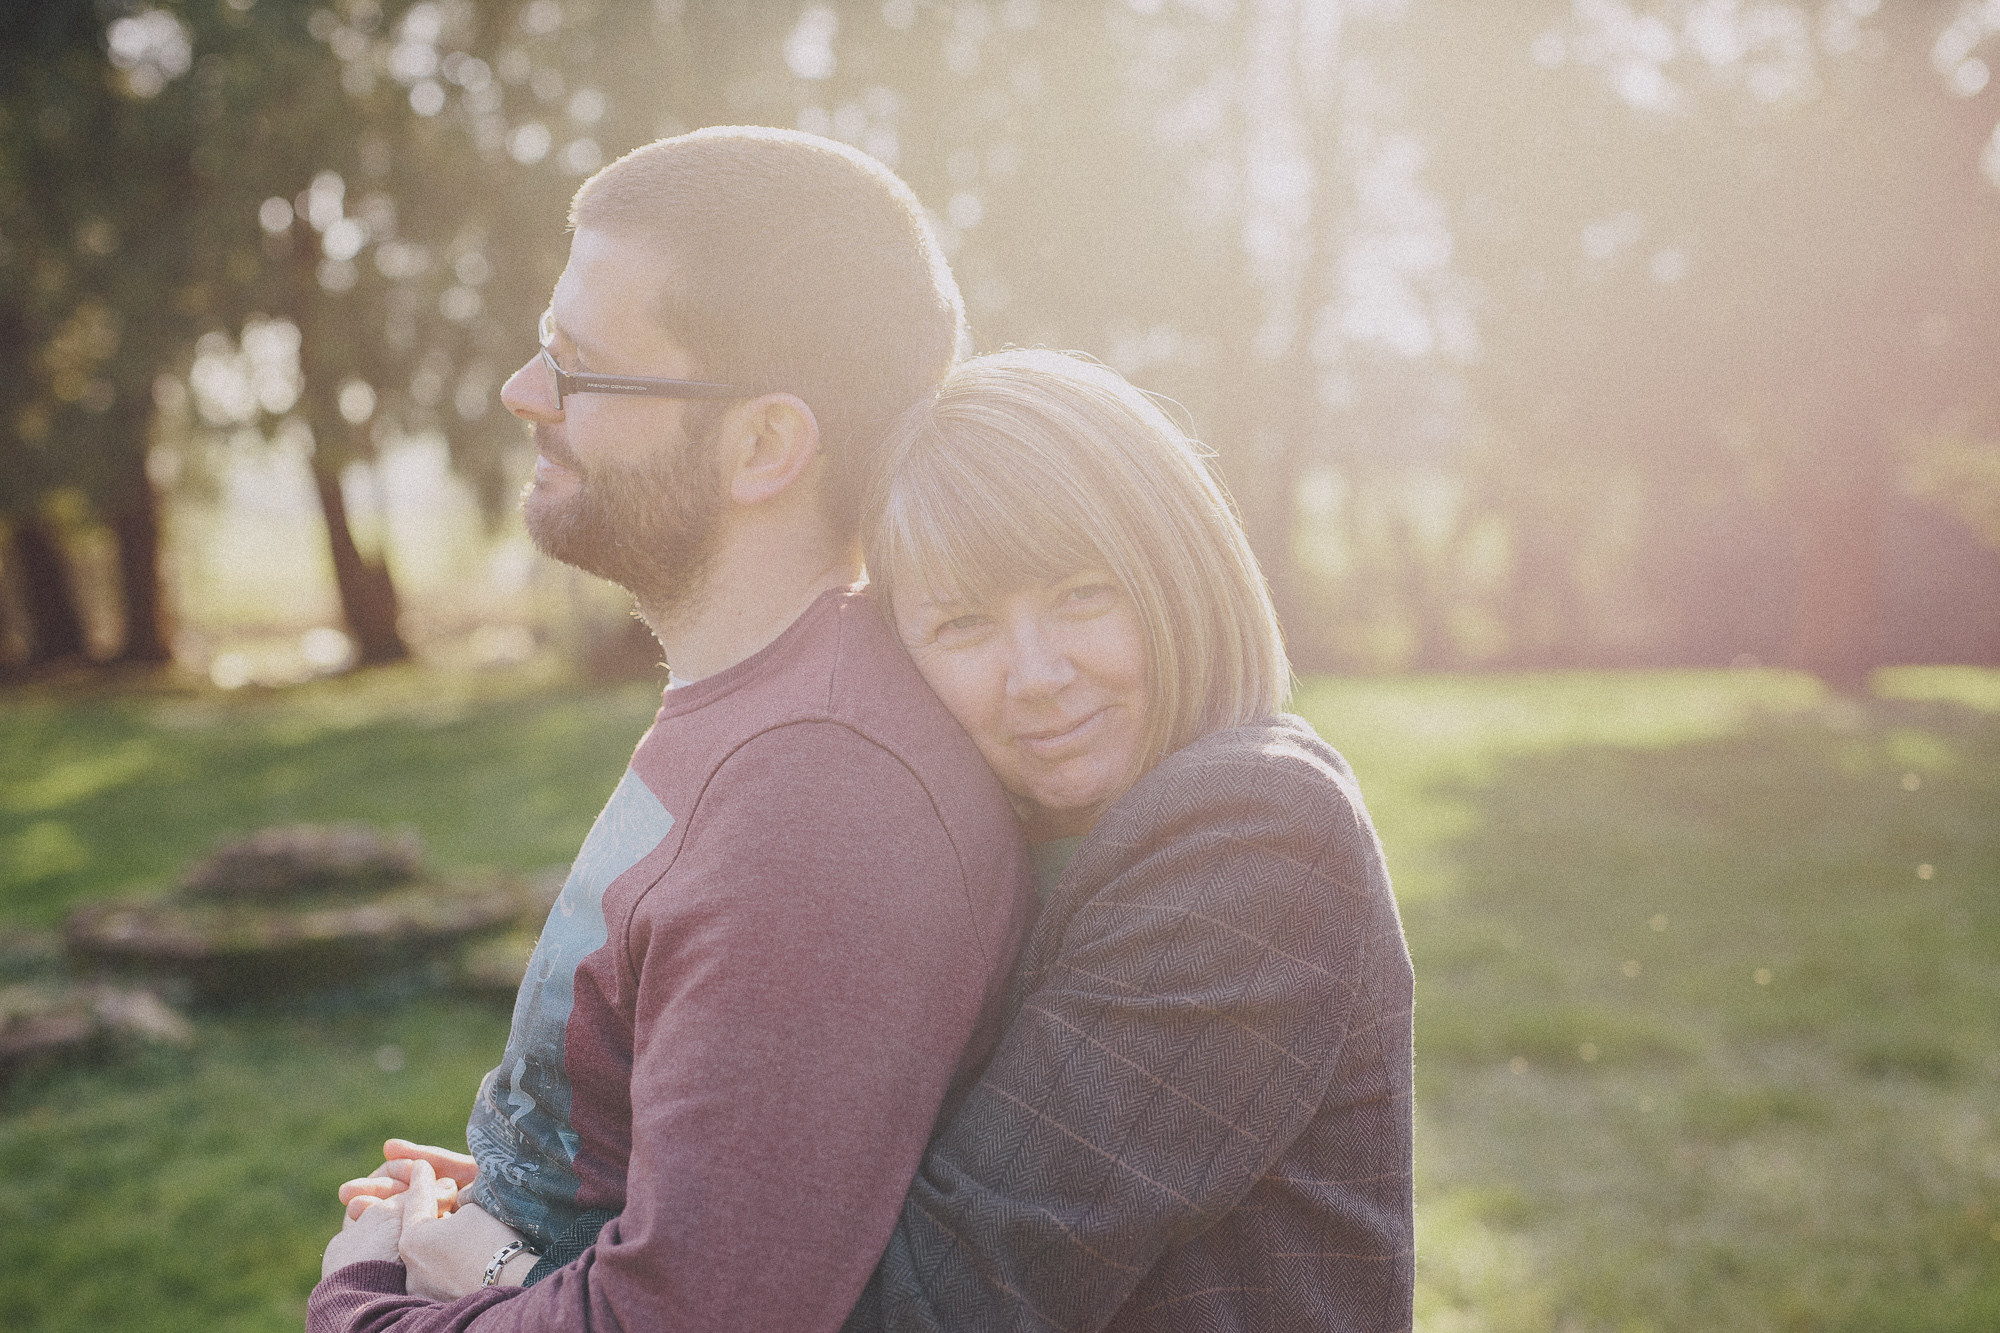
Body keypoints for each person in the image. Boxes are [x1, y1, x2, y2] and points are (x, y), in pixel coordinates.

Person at [308, 128, 1034, 1333]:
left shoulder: (819, 803)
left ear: (762, 445)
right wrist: (489, 1215)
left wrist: (368, 1294)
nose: (523, 393)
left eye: (580, 369)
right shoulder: (759, 713)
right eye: (548, 349)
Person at [842, 348, 1415, 1331]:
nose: (1035, 673)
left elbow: (949, 1299)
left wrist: (540, 1272)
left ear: (1173, 573)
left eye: (1080, 593)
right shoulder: (1008, 842)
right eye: (965, 623)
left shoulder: (1251, 831)